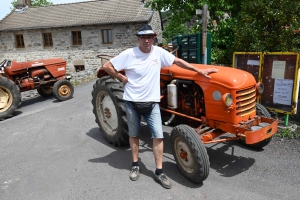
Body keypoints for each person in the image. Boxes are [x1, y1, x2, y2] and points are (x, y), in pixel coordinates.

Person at [102, 24, 218, 189]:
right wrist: (120, 77)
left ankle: (159, 171)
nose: (147, 40)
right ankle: (135, 164)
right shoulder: (129, 54)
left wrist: (198, 71)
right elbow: (106, 66)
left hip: (152, 104)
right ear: (139, 39)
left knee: (158, 136)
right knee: (134, 135)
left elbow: (177, 61)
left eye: (150, 37)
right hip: (131, 103)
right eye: (143, 37)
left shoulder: (158, 52)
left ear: (154, 38)